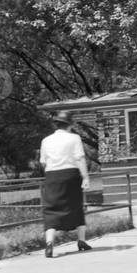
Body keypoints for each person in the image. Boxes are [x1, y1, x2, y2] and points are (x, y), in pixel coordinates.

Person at [39, 110, 92, 257]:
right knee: (76, 206)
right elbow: (80, 158)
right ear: (69, 125)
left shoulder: (46, 140)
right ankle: (81, 241)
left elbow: (43, 162)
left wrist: (52, 174)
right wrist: (85, 177)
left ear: (56, 124)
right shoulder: (74, 138)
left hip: (52, 176)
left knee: (51, 208)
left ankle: (49, 243)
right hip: (70, 175)